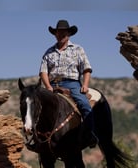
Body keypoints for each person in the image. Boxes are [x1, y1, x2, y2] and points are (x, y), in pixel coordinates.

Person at [39, 19, 98, 148]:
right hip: (52, 84)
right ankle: (36, 139)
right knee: (36, 106)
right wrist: (48, 87)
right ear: (55, 34)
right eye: (58, 33)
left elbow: (87, 69)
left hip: (72, 84)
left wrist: (85, 84)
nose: (61, 35)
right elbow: (43, 72)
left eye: (64, 33)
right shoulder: (48, 52)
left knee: (84, 105)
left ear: (69, 34)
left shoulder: (77, 49)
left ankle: (90, 134)